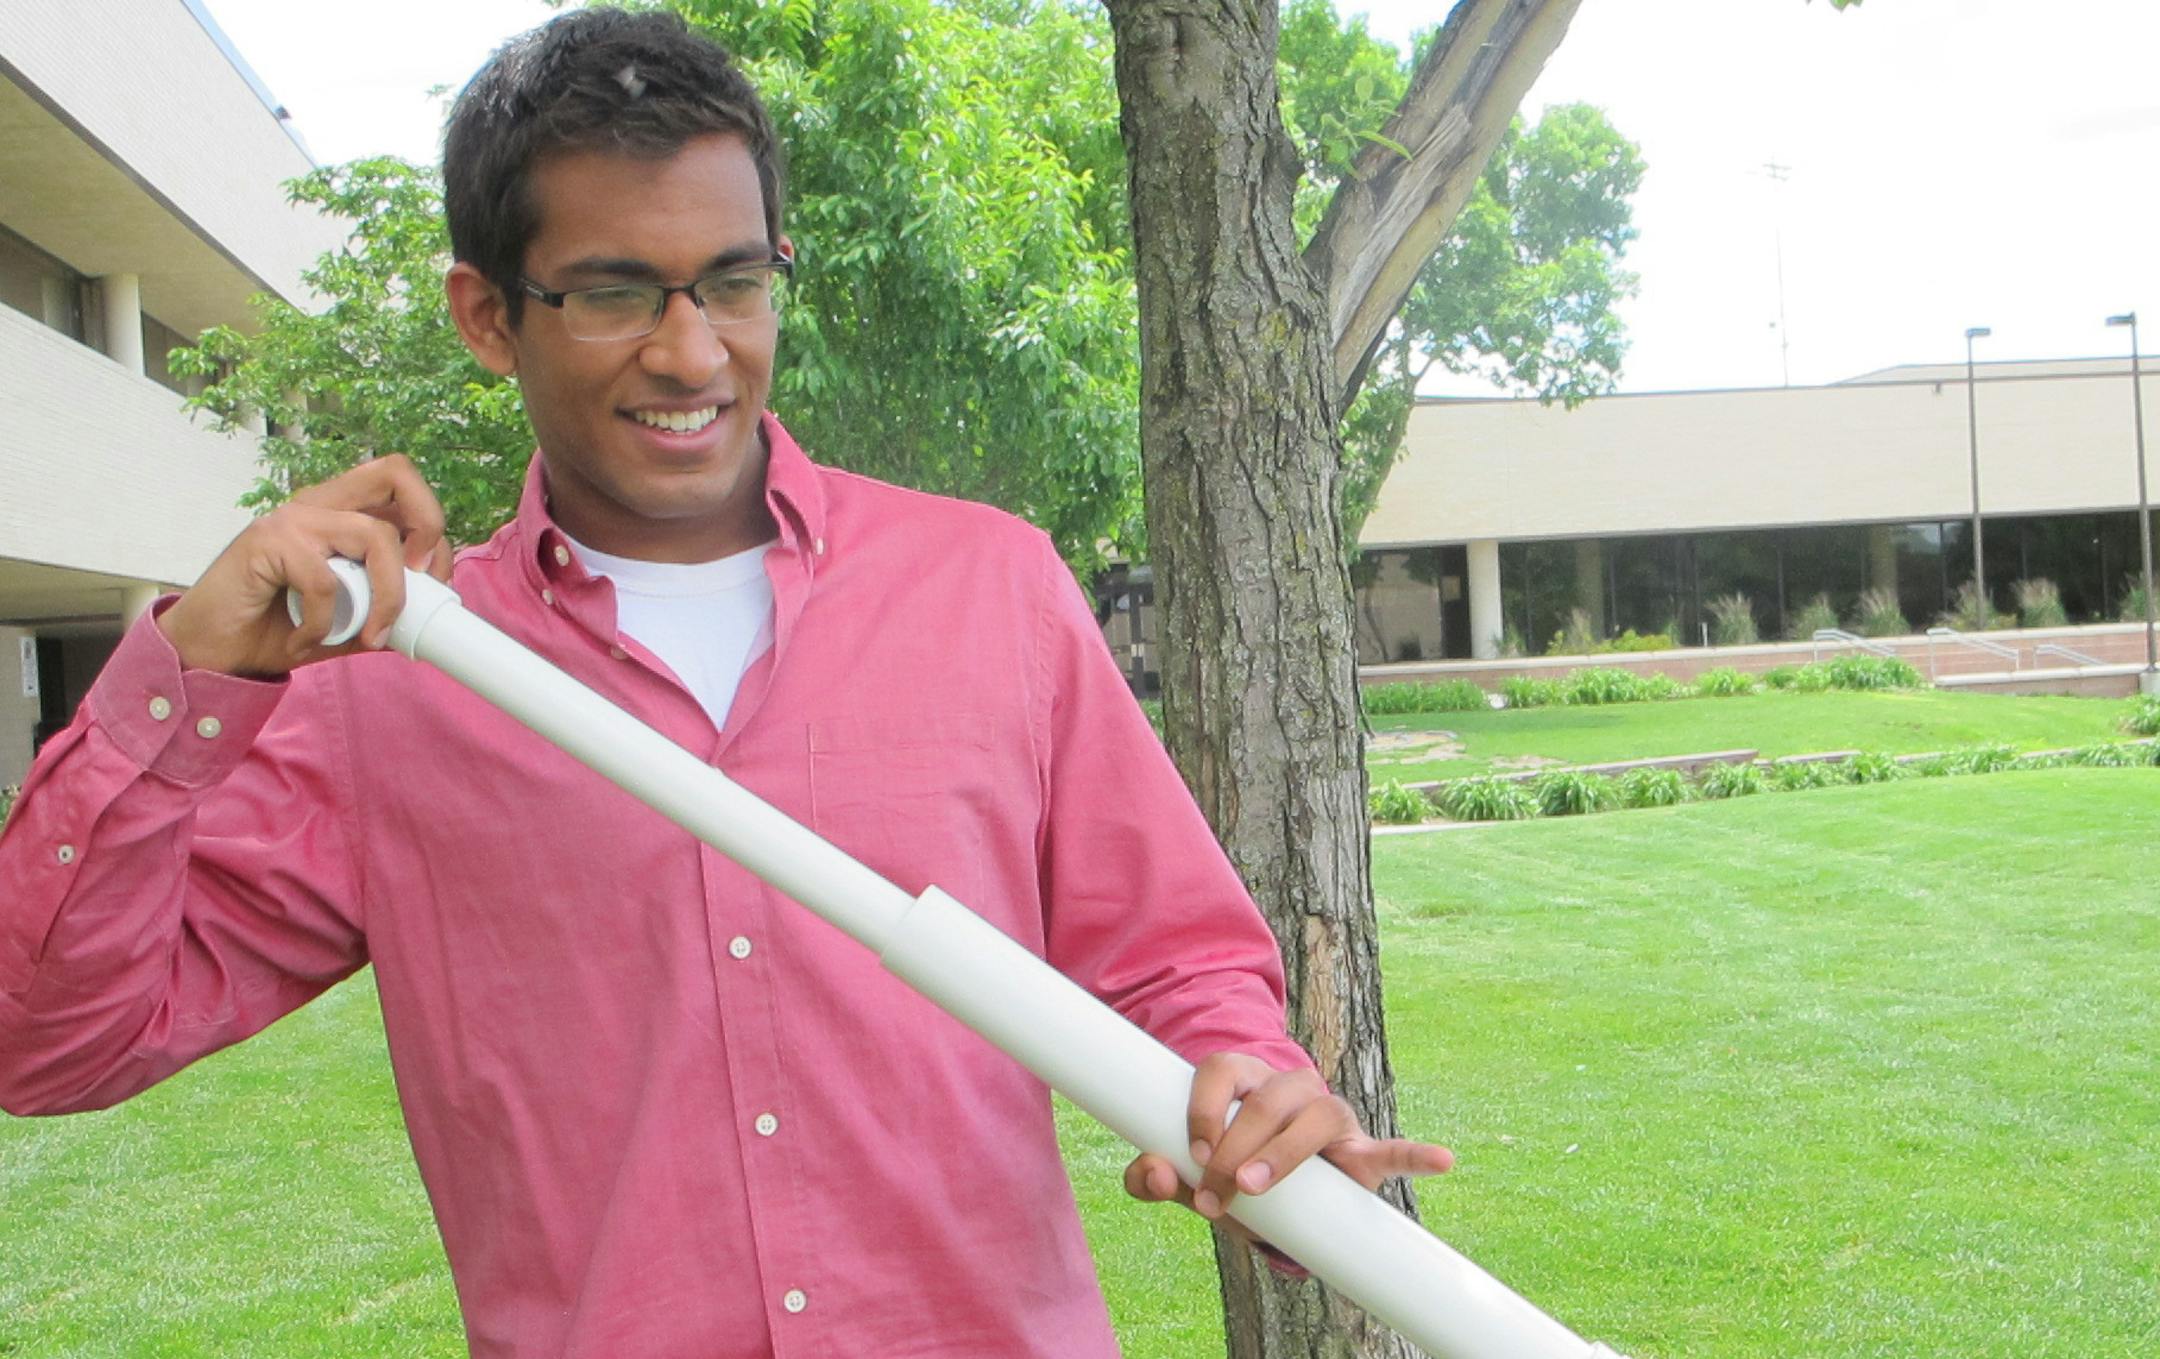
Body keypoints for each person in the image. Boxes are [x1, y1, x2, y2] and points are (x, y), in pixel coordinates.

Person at [0, 9, 1449, 1356]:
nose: (691, 353)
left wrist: (1243, 1082)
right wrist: (188, 675)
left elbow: (1178, 961)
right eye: (613, 292)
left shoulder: (990, 587)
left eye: (735, 283)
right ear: (487, 315)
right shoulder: (386, 686)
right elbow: (46, 1042)